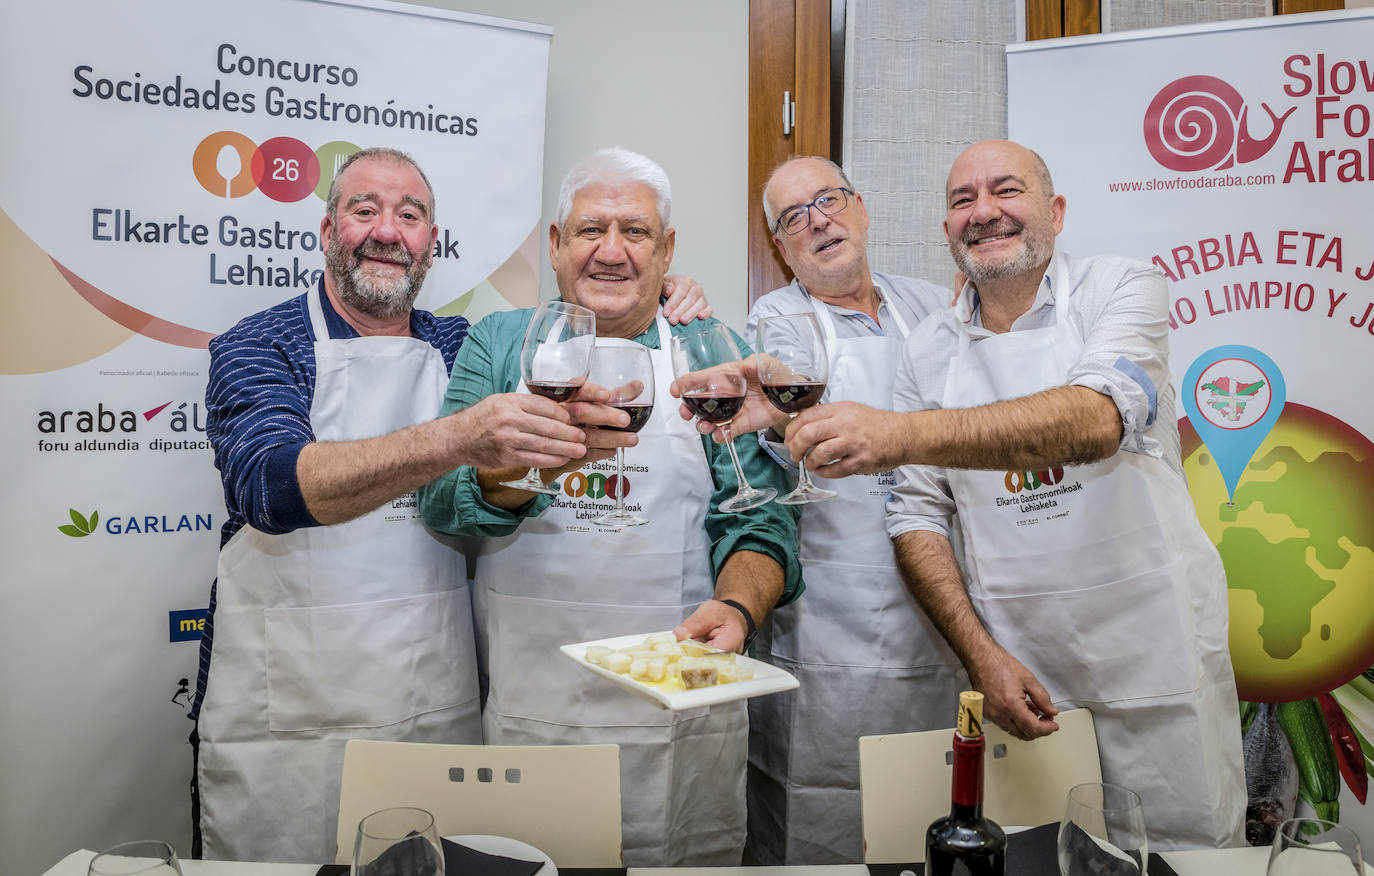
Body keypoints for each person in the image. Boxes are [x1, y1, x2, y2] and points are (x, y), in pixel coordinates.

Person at [192, 147, 709, 864]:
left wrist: (664, 297)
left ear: (431, 242)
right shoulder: (259, 344)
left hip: (436, 710)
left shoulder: (462, 344)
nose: (387, 231)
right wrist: (456, 439)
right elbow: (272, 488)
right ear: (325, 231)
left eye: (411, 215)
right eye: (364, 210)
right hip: (290, 717)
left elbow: (588, 335)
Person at [782, 139, 1246, 850]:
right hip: (1021, 672)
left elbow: (1096, 420)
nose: (984, 212)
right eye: (962, 200)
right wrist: (979, 655)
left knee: (1183, 854)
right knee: (1037, 856)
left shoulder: (1123, 287)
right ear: (946, 232)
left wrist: (903, 434)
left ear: (1055, 212)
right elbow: (915, 514)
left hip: (1154, 655)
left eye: (1007, 191)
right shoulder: (927, 346)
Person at [417, 147, 802, 867]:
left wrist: (743, 608)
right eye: (591, 230)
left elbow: (760, 517)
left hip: (684, 708)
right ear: (556, 246)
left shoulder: (709, 352)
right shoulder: (501, 344)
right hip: (539, 713)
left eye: (636, 232)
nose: (612, 251)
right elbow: (442, 502)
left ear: (667, 252)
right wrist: (528, 461)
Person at [741, 156, 964, 865]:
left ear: (861, 208)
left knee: (940, 806)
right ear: (781, 247)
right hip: (831, 627)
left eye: (828, 200)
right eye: (792, 217)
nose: (817, 222)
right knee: (826, 824)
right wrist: (785, 425)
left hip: (942, 606)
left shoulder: (936, 304)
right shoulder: (777, 318)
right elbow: (778, 409)